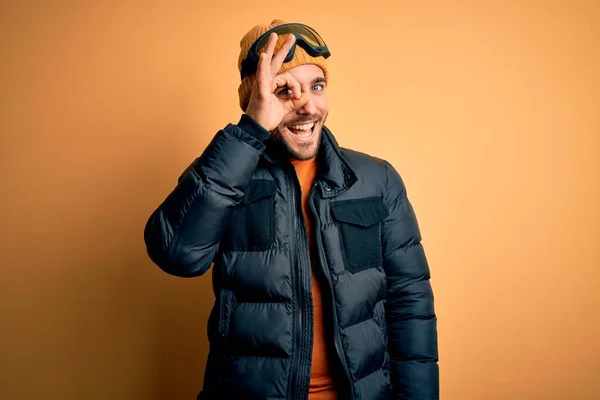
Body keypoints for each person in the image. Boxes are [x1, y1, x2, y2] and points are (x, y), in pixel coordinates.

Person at [144, 19, 438, 400]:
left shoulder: (375, 179)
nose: (307, 106)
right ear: (255, 97)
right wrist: (249, 131)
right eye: (285, 90)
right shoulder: (225, 172)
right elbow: (177, 255)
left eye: (317, 86)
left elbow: (411, 303)